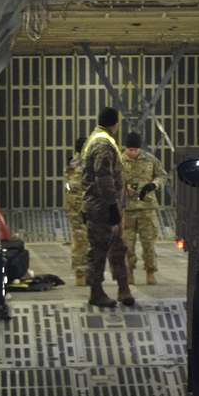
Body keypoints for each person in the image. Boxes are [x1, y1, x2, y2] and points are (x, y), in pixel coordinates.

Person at [81, 107, 134, 308]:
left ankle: (123, 288)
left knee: (118, 248)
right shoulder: (103, 144)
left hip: (104, 206)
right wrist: (112, 206)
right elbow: (104, 178)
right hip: (102, 208)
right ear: (115, 123)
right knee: (99, 251)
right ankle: (96, 292)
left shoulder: (96, 138)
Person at [119, 130, 167, 285]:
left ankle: (150, 272)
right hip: (127, 209)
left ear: (139, 148)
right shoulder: (118, 161)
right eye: (130, 149)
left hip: (147, 207)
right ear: (126, 148)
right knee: (127, 245)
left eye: (135, 149)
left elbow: (162, 175)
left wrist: (154, 184)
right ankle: (129, 273)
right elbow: (111, 179)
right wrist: (124, 188)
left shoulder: (150, 159)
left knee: (149, 243)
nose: (132, 152)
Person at [64, 136, 89, 286]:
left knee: (79, 240)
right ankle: (82, 273)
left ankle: (81, 274)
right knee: (83, 240)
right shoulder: (85, 163)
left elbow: (68, 186)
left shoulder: (72, 163)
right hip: (83, 207)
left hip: (75, 207)